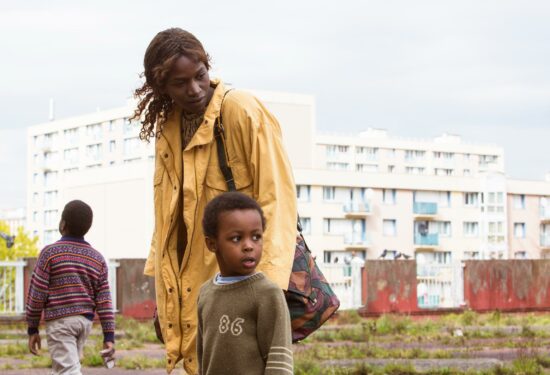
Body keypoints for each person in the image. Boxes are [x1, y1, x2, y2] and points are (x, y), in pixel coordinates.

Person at [133, 28, 297, 374]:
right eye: (180, 83)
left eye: (200, 76)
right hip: (199, 291)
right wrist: (165, 301)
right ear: (161, 87)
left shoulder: (241, 110)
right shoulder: (168, 129)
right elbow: (166, 220)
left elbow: (277, 198)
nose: (194, 89)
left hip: (243, 283)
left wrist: (266, 288)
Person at [197, 192, 293, 374]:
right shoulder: (206, 293)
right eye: (236, 238)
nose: (249, 246)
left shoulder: (267, 293)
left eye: (256, 237)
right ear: (212, 244)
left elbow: (279, 359)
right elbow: (203, 357)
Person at [26, 200, 115, 374]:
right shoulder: (97, 259)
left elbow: (37, 294)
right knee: (67, 367)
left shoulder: (50, 253)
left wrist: (32, 327)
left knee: (67, 370)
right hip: (84, 323)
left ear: (62, 224)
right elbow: (104, 301)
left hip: (61, 322)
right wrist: (109, 336)